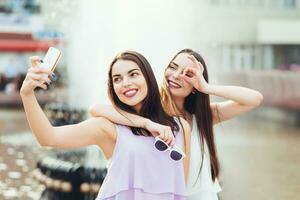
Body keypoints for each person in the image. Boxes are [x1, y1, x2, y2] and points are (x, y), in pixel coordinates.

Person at [89, 49, 263, 200]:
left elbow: (254, 99)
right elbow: (97, 109)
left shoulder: (202, 116)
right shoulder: (150, 113)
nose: (176, 75)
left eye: (188, 73)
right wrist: (145, 122)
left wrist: (206, 87)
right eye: (173, 67)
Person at [20, 51, 190, 200]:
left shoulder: (180, 127)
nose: (126, 83)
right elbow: (47, 138)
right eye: (117, 79)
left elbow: (182, 187)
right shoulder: (108, 128)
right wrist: (27, 94)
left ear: (148, 77)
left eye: (133, 74)